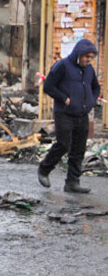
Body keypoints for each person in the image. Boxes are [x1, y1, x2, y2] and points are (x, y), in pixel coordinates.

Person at [38, 38, 101, 193]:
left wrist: (91, 101)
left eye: (91, 57)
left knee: (79, 149)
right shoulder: (63, 66)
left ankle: (72, 183)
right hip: (64, 113)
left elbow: (96, 88)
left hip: (82, 114)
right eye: (87, 56)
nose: (89, 60)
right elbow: (48, 86)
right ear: (79, 54)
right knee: (64, 144)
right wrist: (64, 99)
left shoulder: (89, 69)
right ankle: (44, 169)